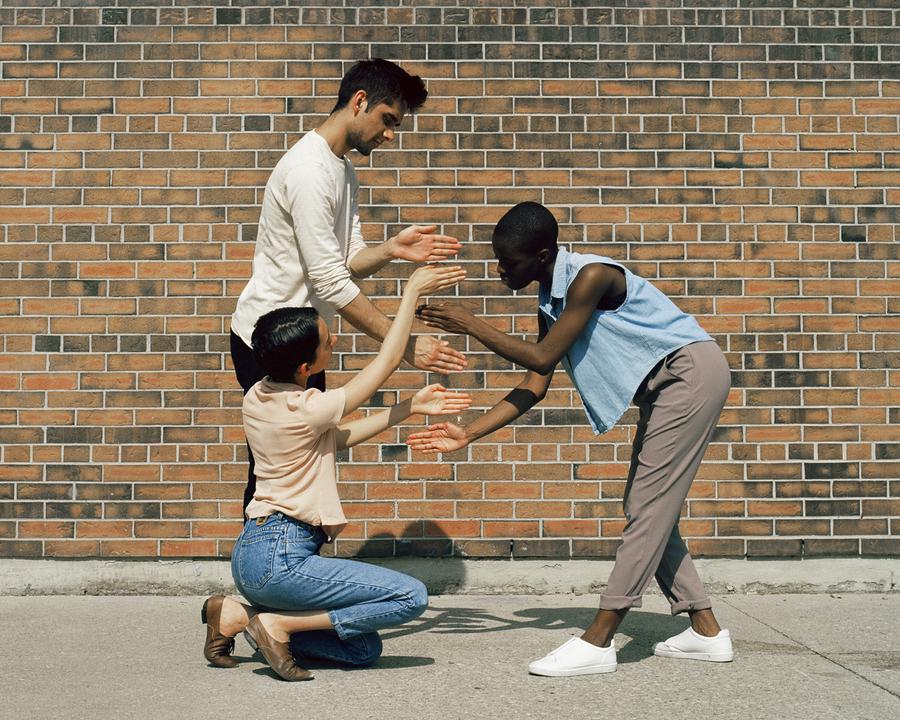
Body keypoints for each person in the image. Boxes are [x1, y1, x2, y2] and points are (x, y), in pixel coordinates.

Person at [410, 201, 734, 676]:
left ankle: (600, 639)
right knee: (647, 507)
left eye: (509, 261)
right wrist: (468, 434)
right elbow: (535, 384)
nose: (501, 270)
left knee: (647, 508)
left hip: (689, 374)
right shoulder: (551, 297)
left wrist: (469, 323)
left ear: (542, 255)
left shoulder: (591, 276)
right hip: (669, 386)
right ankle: (706, 631)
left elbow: (541, 358)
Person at [203, 263, 471, 681]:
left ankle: (239, 613)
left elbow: (337, 438)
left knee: (363, 648)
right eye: (328, 343)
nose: (335, 342)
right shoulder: (309, 407)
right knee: (411, 595)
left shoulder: (258, 397)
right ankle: (278, 625)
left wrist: (409, 408)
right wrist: (411, 294)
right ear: (305, 369)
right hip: (283, 555)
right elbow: (384, 364)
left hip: (252, 555)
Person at [230, 58, 466, 513]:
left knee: (311, 464)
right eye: (388, 120)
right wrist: (405, 342)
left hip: (305, 339)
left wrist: (391, 250)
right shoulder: (309, 170)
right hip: (272, 340)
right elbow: (329, 280)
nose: (391, 134)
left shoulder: (341, 170)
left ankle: (286, 572)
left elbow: (347, 263)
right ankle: (267, 570)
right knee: (277, 474)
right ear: (360, 102)